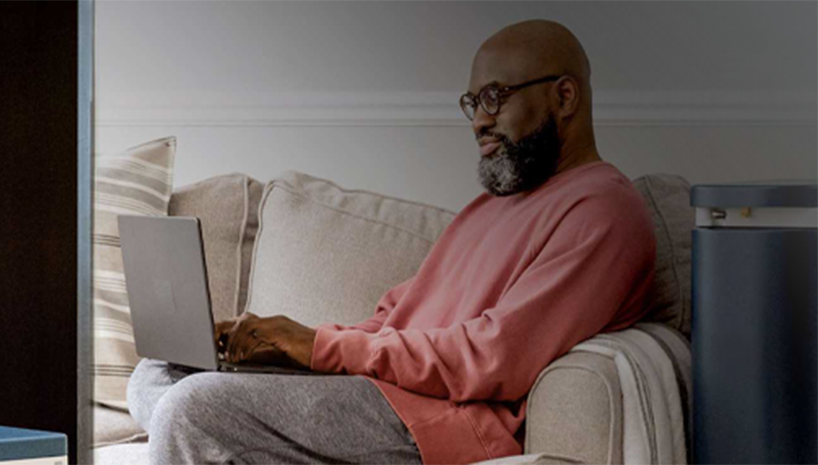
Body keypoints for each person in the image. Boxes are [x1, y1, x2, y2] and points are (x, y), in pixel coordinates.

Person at [127, 19, 656, 465]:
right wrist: (293, 348)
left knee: (190, 408)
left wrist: (320, 348)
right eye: (472, 102)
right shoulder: (488, 208)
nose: (479, 121)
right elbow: (391, 323)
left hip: (433, 415)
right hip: (381, 390)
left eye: (495, 97)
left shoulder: (603, 210)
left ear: (564, 96)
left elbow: (496, 357)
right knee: (157, 374)